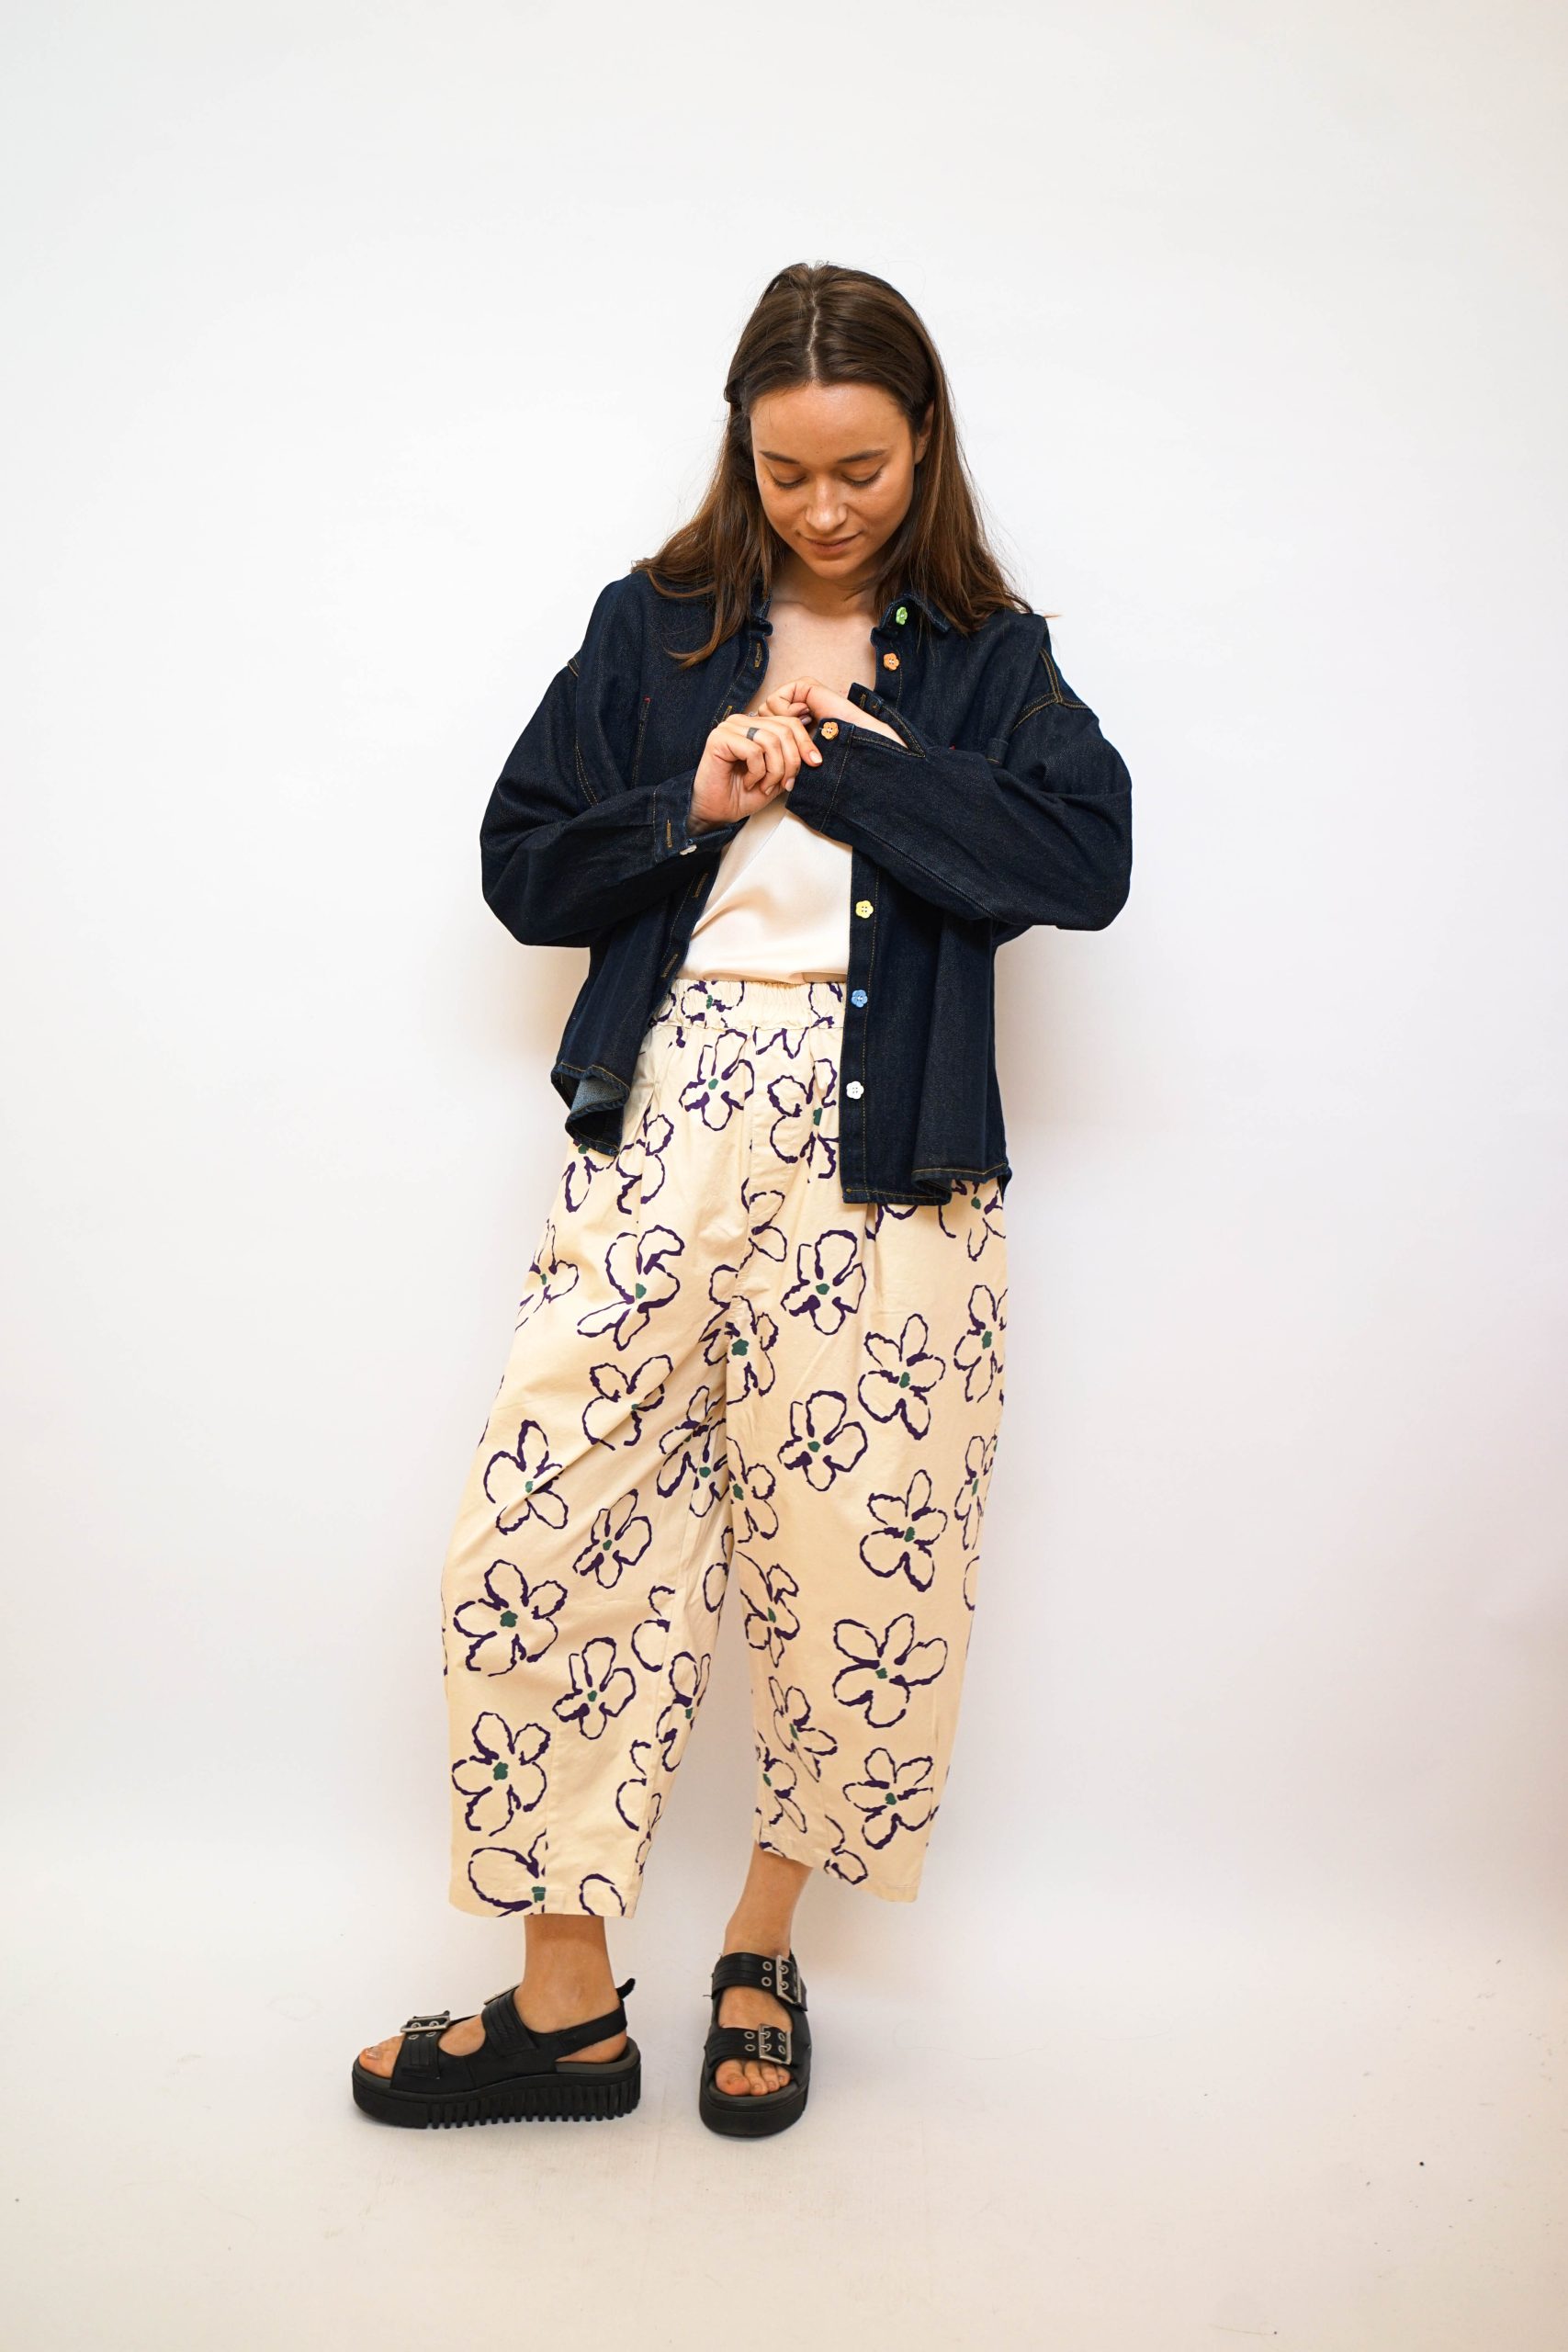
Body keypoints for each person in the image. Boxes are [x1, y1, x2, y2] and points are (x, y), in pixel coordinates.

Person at [351, 260, 1134, 2139]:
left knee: (859, 1560)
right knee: (542, 1530)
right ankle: (563, 2003)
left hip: (891, 1161)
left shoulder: (989, 656)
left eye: (860, 467)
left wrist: (860, 776)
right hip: (665, 1118)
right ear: (741, 451)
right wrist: (693, 805)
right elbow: (523, 869)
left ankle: (760, 1950)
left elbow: (1084, 861)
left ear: (922, 443)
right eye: (788, 471)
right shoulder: (657, 627)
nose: (825, 506)